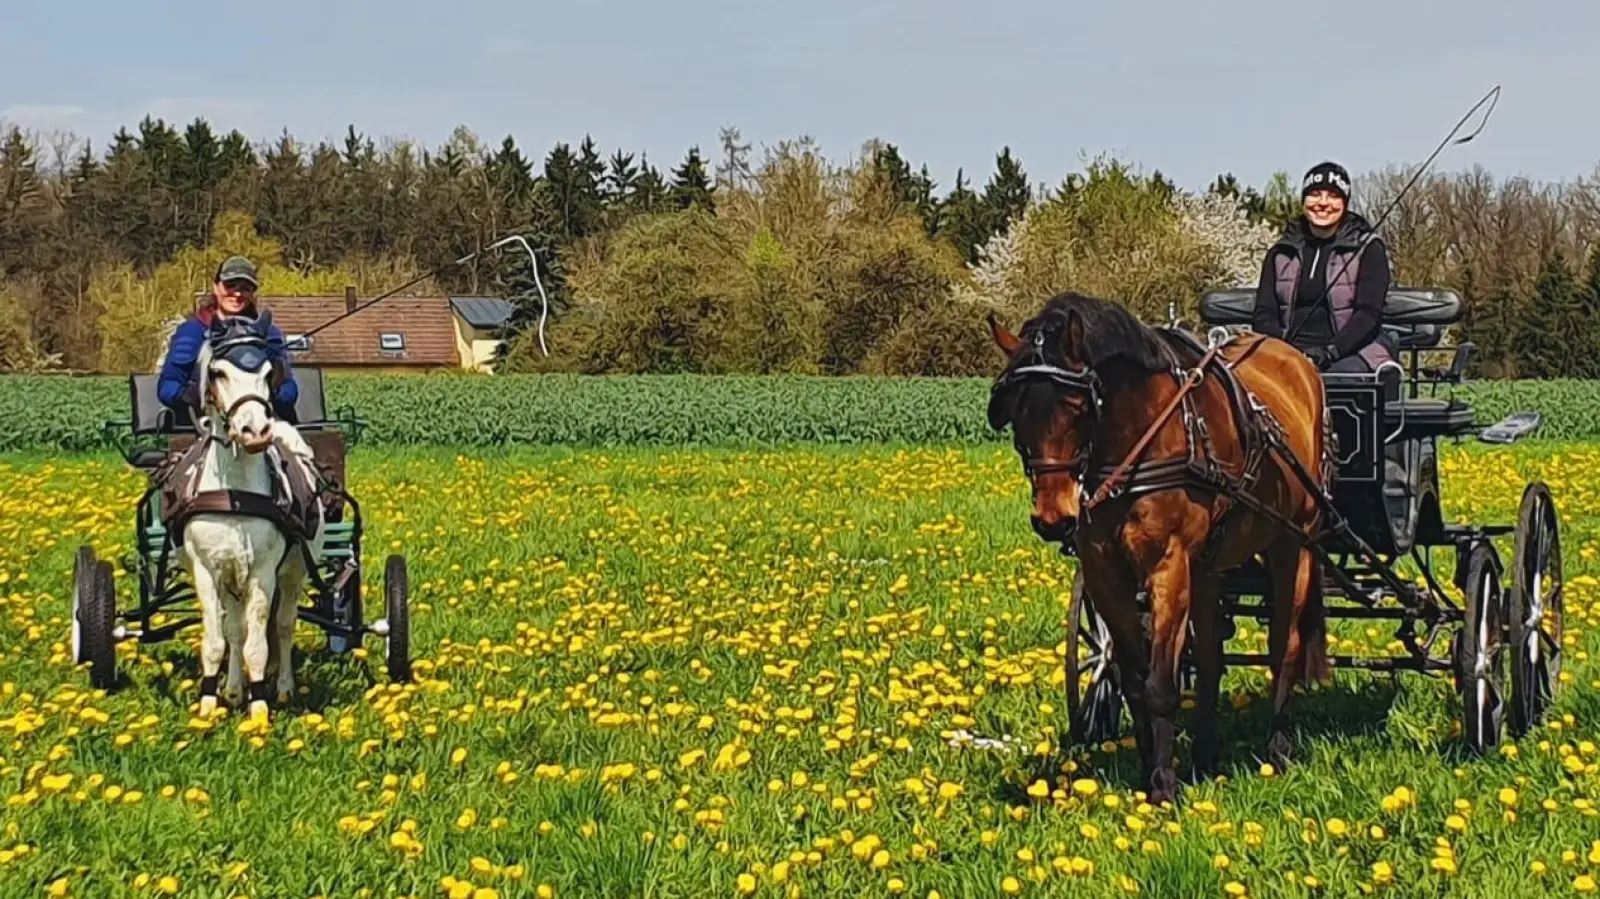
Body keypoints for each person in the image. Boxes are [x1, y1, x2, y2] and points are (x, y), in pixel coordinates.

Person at [1252, 161, 1395, 373]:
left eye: (1333, 196)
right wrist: (1284, 352)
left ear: (1345, 203)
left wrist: (1330, 353)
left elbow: (1368, 315)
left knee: (1340, 381)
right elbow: (1264, 313)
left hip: (1351, 352)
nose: (1323, 203)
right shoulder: (1280, 252)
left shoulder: (1368, 248)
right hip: (1287, 354)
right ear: (1303, 200)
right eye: (1315, 194)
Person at [157, 255, 300, 422]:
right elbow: (168, 387)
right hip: (201, 423)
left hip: (263, 421)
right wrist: (194, 395)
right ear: (216, 287)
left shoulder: (269, 334)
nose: (237, 293)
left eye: (245, 288)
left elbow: (289, 387)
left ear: (253, 293)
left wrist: (273, 392)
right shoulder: (192, 331)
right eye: (230, 285)